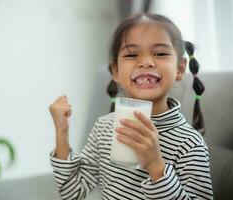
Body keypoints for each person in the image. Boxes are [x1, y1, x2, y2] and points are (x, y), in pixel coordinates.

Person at [49, 13, 213, 199]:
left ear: (180, 69)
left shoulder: (190, 144)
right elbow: (72, 192)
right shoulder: (104, 128)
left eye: (160, 53)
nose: (146, 62)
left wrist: (156, 165)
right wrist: (61, 132)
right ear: (116, 71)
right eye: (132, 54)